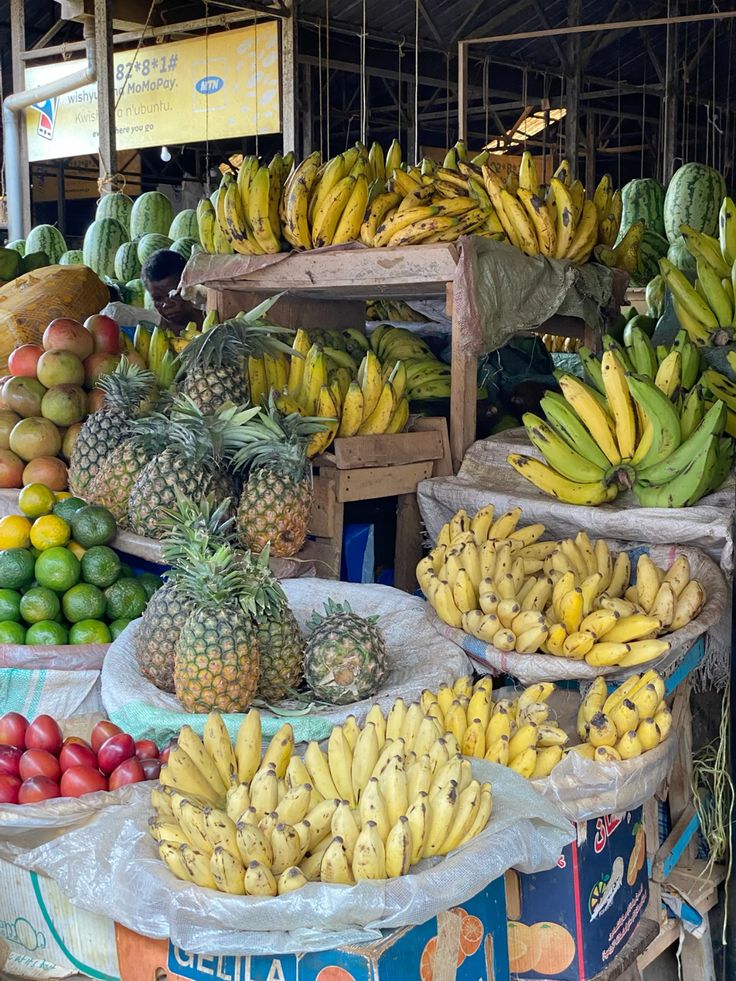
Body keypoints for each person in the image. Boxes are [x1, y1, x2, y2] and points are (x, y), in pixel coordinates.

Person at [140, 249, 204, 335]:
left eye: (174, 294)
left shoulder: (217, 315)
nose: (166, 304)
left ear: (190, 286)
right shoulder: (153, 336)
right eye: (158, 299)